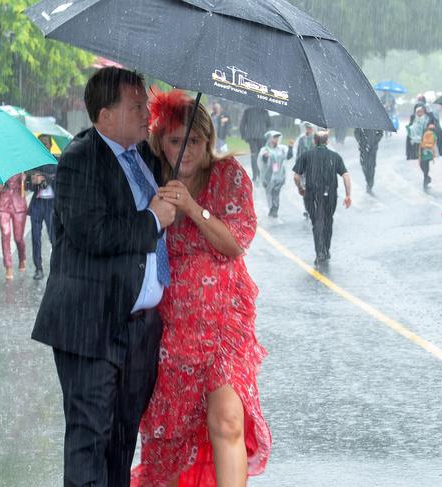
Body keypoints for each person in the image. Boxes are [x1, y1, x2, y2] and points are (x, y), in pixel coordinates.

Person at [32, 67, 176, 486]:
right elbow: (91, 231)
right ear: (105, 114)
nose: (146, 113)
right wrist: (152, 219)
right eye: (136, 106)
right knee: (89, 438)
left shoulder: (144, 157)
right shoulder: (80, 159)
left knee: (121, 438)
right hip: (91, 323)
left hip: (139, 328)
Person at [132, 90, 270, 486]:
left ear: (207, 141)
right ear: (161, 142)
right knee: (172, 435)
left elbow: (234, 244)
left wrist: (193, 208)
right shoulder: (149, 178)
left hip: (225, 323)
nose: (186, 149)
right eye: (177, 140)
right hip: (172, 328)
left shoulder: (228, 177)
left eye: (194, 140)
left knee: (226, 421)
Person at [293, 131, 352, 266]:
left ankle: (319, 251)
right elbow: (346, 176)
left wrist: (300, 188)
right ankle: (326, 248)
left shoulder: (306, 156)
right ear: (327, 142)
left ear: (314, 141)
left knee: (317, 223)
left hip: (312, 195)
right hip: (330, 195)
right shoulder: (335, 156)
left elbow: (296, 176)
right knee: (328, 221)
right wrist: (348, 195)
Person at [27, 134, 57, 280]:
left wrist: (45, 177)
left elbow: (61, 179)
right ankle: (38, 268)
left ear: (50, 146)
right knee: (35, 238)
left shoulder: (57, 161)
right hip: (37, 205)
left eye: (46, 144)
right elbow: (28, 186)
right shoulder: (34, 163)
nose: (44, 147)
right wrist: (33, 181)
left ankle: (57, 266)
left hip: (52, 206)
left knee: (54, 238)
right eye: (41, 144)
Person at [0, 173, 28, 280]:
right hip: (3, 205)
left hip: (19, 205)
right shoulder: (0, 170)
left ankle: (22, 257)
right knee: (5, 234)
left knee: (18, 237)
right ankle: (8, 266)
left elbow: (30, 187)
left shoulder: (22, 169)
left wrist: (25, 180)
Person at [258, 130, 293, 218]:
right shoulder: (264, 150)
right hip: (268, 177)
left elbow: (288, 157)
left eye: (277, 138)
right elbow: (261, 162)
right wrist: (265, 157)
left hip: (279, 176)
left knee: (276, 192)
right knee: (269, 193)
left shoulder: (281, 148)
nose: (276, 140)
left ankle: (275, 208)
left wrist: (290, 147)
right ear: (269, 138)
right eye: (274, 138)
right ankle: (271, 207)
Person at [239, 106, 271, 183]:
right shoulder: (264, 111)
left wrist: (244, 135)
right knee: (261, 155)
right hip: (262, 136)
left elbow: (242, 124)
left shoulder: (247, 111)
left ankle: (255, 175)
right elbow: (269, 124)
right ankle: (260, 174)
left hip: (251, 136)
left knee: (254, 155)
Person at [353, 128, 383, 194]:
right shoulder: (360, 121)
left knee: (372, 166)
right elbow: (356, 132)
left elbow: (380, 133)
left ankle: (370, 184)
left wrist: (375, 140)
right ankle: (368, 180)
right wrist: (360, 141)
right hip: (363, 148)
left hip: (373, 148)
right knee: (364, 165)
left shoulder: (376, 122)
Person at [419, 121, 438, 190]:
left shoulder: (432, 134)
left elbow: (434, 142)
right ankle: (427, 179)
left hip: (427, 154)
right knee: (425, 169)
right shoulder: (425, 132)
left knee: (425, 169)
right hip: (424, 153)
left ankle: (425, 183)